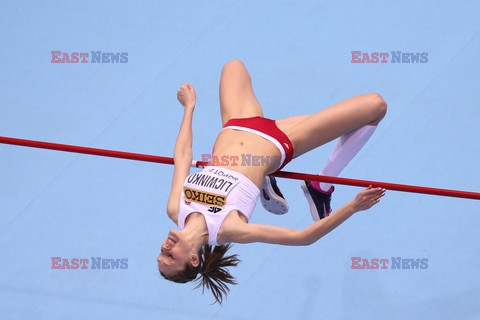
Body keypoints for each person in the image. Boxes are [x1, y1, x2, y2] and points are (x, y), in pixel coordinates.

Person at [157, 60, 387, 304]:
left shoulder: (176, 208)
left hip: (239, 122)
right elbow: (303, 238)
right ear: (194, 259)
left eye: (161, 253)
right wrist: (353, 207)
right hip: (280, 141)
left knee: (233, 66)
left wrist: (189, 108)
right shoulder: (227, 229)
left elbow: (183, 156)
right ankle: (319, 187)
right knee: (375, 106)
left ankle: (264, 182)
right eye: (170, 258)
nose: (165, 249)